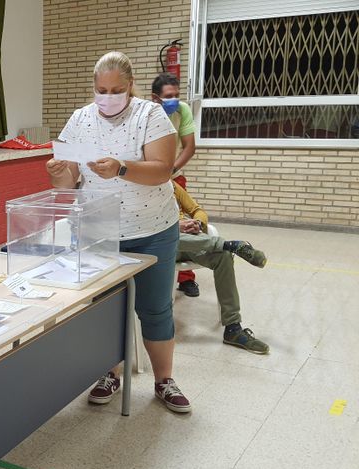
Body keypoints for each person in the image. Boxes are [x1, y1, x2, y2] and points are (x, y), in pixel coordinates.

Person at [47, 51, 191, 413]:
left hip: (152, 228)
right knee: (104, 310)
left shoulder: (150, 115)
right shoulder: (80, 119)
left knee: (154, 309)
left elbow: (162, 170)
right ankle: (109, 373)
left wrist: (122, 168)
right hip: (98, 230)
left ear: (131, 87)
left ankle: (164, 380)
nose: (108, 97)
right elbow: (69, 182)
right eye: (101, 90)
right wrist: (57, 173)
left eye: (116, 90)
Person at [173, 182, 270, 354]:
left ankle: (233, 328)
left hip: (192, 241)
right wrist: (176, 226)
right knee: (170, 236)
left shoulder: (171, 185)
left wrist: (198, 223)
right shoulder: (137, 189)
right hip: (166, 246)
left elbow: (197, 210)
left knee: (223, 257)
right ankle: (228, 244)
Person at [150, 72, 200, 297]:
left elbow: (189, 146)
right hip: (149, 177)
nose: (174, 100)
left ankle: (186, 277)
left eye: (177, 95)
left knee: (181, 221)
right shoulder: (146, 114)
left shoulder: (182, 110)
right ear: (155, 98)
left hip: (174, 175)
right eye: (169, 96)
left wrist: (170, 171)